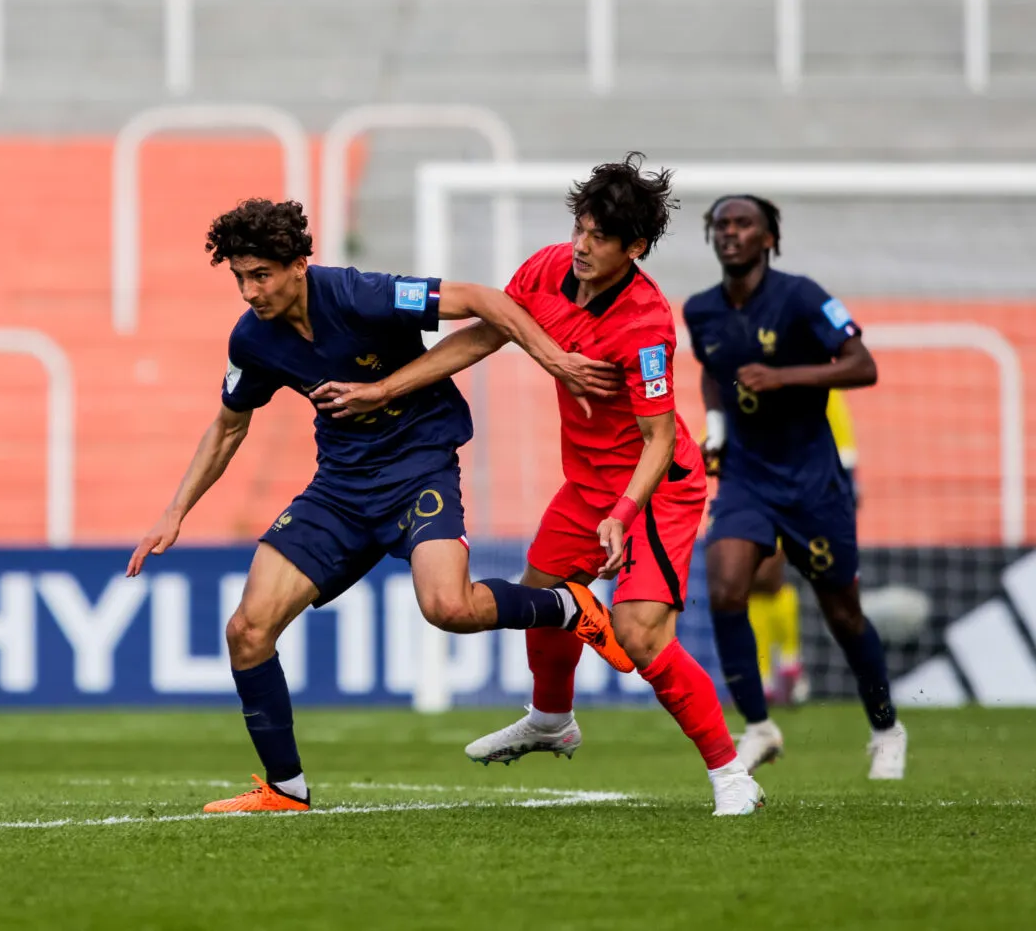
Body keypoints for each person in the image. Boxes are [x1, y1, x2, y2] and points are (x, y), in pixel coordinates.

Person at [127, 198, 634, 814]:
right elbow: (228, 427)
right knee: (247, 631)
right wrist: (174, 512)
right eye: (238, 276)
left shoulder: (360, 295)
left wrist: (554, 359)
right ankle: (285, 789)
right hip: (339, 488)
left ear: (297, 265)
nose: (248, 291)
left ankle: (564, 604)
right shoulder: (253, 339)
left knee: (448, 606)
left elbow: (480, 299)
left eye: (260, 275)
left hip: (418, 465)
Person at [315, 154, 764, 816]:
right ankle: (551, 718)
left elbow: (660, 438)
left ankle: (731, 773)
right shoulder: (547, 268)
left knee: (639, 636)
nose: (582, 245)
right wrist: (383, 388)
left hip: (653, 489)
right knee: (539, 595)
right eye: (580, 227)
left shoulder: (644, 323)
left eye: (600, 237)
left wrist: (621, 511)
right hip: (586, 486)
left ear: (634, 247)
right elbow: (482, 336)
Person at [688, 194, 906, 779]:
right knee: (727, 586)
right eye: (721, 225)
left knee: (844, 615)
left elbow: (864, 365)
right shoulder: (701, 311)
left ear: (768, 239)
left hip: (812, 483)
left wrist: (784, 377)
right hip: (745, 477)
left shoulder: (803, 296)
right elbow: (713, 374)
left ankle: (886, 728)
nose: (730, 233)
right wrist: (715, 430)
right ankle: (759, 728)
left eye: (744, 224)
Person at [746, 391, 858, 707]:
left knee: (767, 575)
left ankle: (786, 663)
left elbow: (842, 436)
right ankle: (772, 673)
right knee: (756, 585)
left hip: (801, 491)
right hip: (752, 491)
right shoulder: (743, 373)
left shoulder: (816, 379)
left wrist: (847, 484)